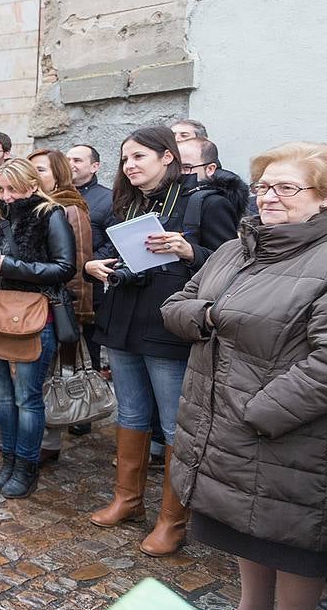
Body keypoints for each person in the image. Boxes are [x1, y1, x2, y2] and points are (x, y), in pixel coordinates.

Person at [162, 142, 327, 610]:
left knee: (291, 541)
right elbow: (179, 304)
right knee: (246, 524)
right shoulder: (234, 250)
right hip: (228, 418)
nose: (269, 197)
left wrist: (260, 413)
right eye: (264, 186)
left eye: (287, 188)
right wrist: (204, 315)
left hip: (293, 432)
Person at [84, 125, 239, 555]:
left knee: (173, 424)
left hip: (169, 330)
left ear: (167, 157)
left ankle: (173, 519)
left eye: (139, 157)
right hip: (123, 321)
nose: (130, 166)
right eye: (126, 159)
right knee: (131, 413)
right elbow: (111, 254)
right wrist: (95, 267)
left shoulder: (204, 202)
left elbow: (233, 270)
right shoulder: (127, 204)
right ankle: (127, 500)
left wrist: (191, 253)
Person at [0, 158, 76, 498]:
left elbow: (64, 267)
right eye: (0, 189)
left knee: (27, 397)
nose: (6, 195)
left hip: (34, 315)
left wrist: (8, 265)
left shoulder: (50, 214)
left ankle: (26, 467)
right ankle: (8, 461)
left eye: (12, 189)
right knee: (1, 396)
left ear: (32, 185)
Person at [27, 149, 94, 463]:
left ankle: (49, 443)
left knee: (53, 376)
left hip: (58, 306)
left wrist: (76, 311)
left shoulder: (69, 208)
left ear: (58, 174)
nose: (34, 175)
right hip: (30, 306)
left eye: (40, 169)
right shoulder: (33, 205)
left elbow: (79, 263)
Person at [67, 143, 114, 371]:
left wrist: (85, 264)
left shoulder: (108, 199)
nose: (71, 165)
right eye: (68, 159)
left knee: (88, 354)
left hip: (89, 287)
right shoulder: (54, 196)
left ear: (95, 166)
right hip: (57, 285)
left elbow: (113, 242)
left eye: (77, 160)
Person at [179, 137, 251, 222]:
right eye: (175, 166)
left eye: (187, 167)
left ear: (210, 169)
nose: (179, 172)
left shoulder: (217, 203)